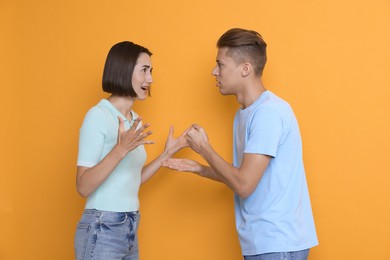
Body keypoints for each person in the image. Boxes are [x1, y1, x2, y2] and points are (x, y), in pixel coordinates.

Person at [163, 28, 318, 259]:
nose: (214, 72)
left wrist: (204, 149)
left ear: (245, 68)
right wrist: (201, 169)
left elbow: (244, 185)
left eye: (220, 64)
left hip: (277, 243)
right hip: (265, 242)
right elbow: (246, 176)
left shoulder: (268, 113)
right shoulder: (246, 113)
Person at [74, 41, 188, 260]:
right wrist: (120, 149)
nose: (150, 79)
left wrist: (166, 154)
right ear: (124, 70)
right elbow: (83, 185)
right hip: (102, 226)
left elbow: (131, 179)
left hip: (129, 227)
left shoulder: (133, 120)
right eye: (144, 70)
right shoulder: (98, 116)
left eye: (151, 71)